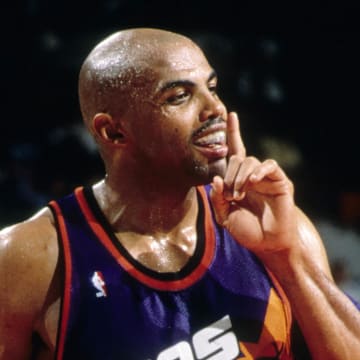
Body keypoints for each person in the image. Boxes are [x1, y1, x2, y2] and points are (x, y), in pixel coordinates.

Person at [0, 27, 359, 360]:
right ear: (113, 132)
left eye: (212, 88)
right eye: (180, 96)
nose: (215, 108)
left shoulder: (271, 224)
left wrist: (285, 258)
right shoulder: (31, 260)